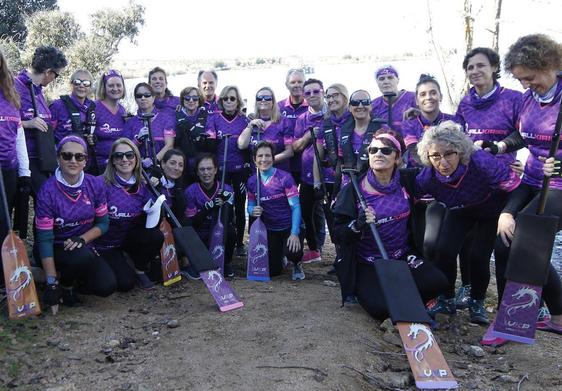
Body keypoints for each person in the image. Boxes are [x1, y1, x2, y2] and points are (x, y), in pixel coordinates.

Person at [333, 129, 447, 318]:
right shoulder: (353, 190)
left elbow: (436, 172)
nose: (378, 154)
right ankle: (397, 295)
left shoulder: (407, 180)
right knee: (382, 309)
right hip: (368, 262)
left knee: (438, 282)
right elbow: (338, 234)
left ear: (397, 158)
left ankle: (406, 295)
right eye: (373, 150)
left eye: (386, 150)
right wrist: (357, 225)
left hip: (402, 256)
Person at [415, 121, 521, 325]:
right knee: (444, 249)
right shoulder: (426, 177)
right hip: (460, 210)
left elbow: (515, 187)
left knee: (478, 256)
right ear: (428, 157)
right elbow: (412, 197)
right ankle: (447, 299)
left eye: (449, 154)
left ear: (460, 151)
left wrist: (508, 213)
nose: (443, 162)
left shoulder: (480, 161)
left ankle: (476, 302)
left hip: (491, 210)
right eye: (435, 156)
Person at [492, 34, 562, 338]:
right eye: (520, 80)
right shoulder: (528, 99)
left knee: (526, 243)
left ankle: (511, 322)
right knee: (504, 238)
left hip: (558, 186)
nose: (525, 85)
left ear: (549, 65)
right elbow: (523, 136)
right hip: (531, 179)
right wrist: (499, 147)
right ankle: (559, 316)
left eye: (530, 78)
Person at [454, 48, 523, 311]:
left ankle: (509, 305)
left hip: (505, 183)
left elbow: (526, 133)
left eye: (480, 66)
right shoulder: (465, 102)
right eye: (470, 67)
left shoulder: (514, 99)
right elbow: (458, 138)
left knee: (503, 247)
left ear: (494, 67)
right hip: (472, 184)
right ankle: (471, 292)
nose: (475, 72)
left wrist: (503, 149)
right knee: (471, 246)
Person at [36, 135, 115, 308]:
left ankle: (73, 279)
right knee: (80, 256)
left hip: (82, 244)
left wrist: (82, 239)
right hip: (55, 246)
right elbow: (44, 239)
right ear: (58, 158)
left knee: (106, 286)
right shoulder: (47, 191)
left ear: (85, 161)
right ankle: (64, 285)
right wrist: (51, 283)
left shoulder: (95, 184)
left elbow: (104, 223)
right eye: (67, 156)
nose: (73, 160)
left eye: (79, 157)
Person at [94, 138, 164, 291]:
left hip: (127, 240)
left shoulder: (144, 185)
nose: (124, 159)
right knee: (125, 284)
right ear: (112, 160)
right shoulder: (99, 184)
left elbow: (154, 218)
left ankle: (139, 267)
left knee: (156, 236)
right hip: (105, 245)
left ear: (136, 159)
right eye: (118, 156)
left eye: (129, 155)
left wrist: (158, 187)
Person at [247, 141, 305, 280]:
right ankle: (280, 256)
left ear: (273, 158)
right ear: (254, 160)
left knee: (292, 251)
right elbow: (250, 205)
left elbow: (296, 207)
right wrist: (252, 210)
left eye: (268, 156)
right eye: (260, 156)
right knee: (273, 271)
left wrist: (294, 233)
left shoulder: (285, 178)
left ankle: (296, 263)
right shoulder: (252, 181)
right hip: (270, 229)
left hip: (288, 227)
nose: (264, 159)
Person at [14, 46, 67, 194]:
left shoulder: (38, 91)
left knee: (45, 204)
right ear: (48, 72)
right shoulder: (13, 86)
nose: (54, 79)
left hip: (42, 159)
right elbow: (4, 121)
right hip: (21, 159)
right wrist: (27, 123)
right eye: (56, 75)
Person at [205, 85, 249, 256]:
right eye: (226, 98)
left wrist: (247, 171)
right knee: (224, 206)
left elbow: (247, 149)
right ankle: (222, 239)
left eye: (233, 98)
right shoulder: (214, 119)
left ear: (238, 101)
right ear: (221, 101)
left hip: (238, 171)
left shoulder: (244, 120)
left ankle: (239, 243)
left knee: (239, 206)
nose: (229, 101)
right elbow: (210, 144)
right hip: (221, 172)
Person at [292, 78, 332, 263]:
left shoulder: (333, 113)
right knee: (305, 212)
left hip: (330, 176)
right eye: (307, 93)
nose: (312, 95)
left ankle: (339, 254)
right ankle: (315, 249)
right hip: (308, 175)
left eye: (316, 91)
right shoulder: (302, 119)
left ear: (323, 91)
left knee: (331, 215)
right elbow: (296, 146)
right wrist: (310, 134)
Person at [0, 49, 31, 284]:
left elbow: (19, 134)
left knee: (4, 223)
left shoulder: (10, 96)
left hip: (9, 169)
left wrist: (25, 172)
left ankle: (5, 279)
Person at [184, 153, 235, 277]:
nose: (206, 172)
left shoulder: (226, 189)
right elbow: (193, 223)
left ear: (216, 169)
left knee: (231, 232)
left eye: (209, 168)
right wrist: (210, 207)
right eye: (202, 169)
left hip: (218, 232)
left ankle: (226, 262)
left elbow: (229, 219)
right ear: (197, 172)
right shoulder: (190, 191)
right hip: (200, 233)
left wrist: (225, 205)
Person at [402, 74, 457, 167]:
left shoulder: (454, 121)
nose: (428, 97)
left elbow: (459, 151)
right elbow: (416, 153)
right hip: (419, 173)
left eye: (433, 93)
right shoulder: (409, 124)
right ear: (416, 100)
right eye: (423, 94)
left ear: (441, 96)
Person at [237, 87, 294, 172]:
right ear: (256, 102)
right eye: (259, 98)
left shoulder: (284, 122)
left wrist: (267, 161)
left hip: (279, 174)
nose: (263, 100)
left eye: (267, 98)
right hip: (256, 175)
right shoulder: (250, 121)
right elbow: (241, 145)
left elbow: (289, 152)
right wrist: (250, 126)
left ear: (273, 102)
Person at [125, 82, 176, 163]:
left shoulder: (166, 118)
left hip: (160, 166)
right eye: (139, 96)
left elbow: (169, 146)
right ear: (135, 99)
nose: (143, 98)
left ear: (153, 97)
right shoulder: (130, 122)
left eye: (147, 95)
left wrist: (153, 161)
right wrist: (138, 140)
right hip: (137, 167)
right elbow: (126, 149)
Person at [174, 86, 215, 184]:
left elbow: (211, 143)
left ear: (199, 100)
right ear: (182, 100)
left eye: (195, 98)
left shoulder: (207, 115)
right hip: (182, 164)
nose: (191, 100)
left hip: (202, 165)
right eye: (187, 98)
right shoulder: (176, 115)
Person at [92, 69, 128, 173]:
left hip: (120, 165)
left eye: (118, 85)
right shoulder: (94, 108)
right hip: (98, 167)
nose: (115, 89)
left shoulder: (122, 110)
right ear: (104, 87)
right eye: (111, 85)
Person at [278, 68, 308, 184]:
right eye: (293, 82)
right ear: (286, 85)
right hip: (285, 165)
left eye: (300, 82)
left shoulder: (313, 106)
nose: (297, 85)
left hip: (306, 165)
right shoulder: (278, 107)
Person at [49, 69, 95, 144]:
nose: (81, 86)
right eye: (77, 82)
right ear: (71, 84)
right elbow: (48, 134)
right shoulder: (57, 106)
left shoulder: (93, 107)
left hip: (83, 153)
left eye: (86, 83)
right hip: (61, 152)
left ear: (90, 87)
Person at [370, 65, 416, 133]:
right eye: (381, 79)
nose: (386, 82)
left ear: (397, 80)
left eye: (390, 77)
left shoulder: (413, 98)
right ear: (377, 82)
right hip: (385, 142)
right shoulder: (373, 105)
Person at [158, 148, 189, 226]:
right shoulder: (154, 182)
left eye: (181, 165)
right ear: (163, 164)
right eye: (172, 163)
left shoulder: (182, 186)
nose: (177, 168)